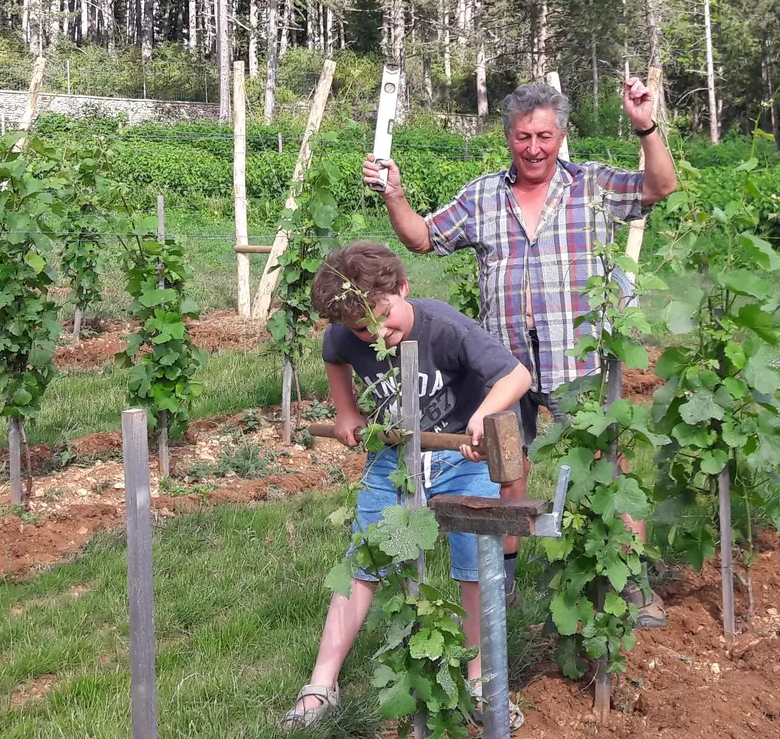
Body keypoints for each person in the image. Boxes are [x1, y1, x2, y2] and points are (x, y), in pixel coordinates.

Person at [362, 76, 677, 626]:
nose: (535, 147)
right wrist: (395, 192)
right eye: (524, 136)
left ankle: (632, 581)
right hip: (503, 365)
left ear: (562, 136)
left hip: (576, 360)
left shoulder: (593, 185)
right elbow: (420, 237)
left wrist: (645, 125)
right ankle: (500, 583)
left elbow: (660, 186)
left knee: (607, 462)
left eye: (546, 136)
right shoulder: (483, 195)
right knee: (507, 466)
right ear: (508, 136)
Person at [281, 242, 532, 730]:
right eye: (362, 329)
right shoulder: (344, 333)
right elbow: (333, 355)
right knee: (367, 560)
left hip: (462, 458)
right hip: (394, 459)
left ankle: (478, 682)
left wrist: (480, 418)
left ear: (403, 288)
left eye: (384, 316)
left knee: (473, 567)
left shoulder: (445, 325)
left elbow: (515, 375)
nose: (378, 333)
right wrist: (346, 411)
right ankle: (321, 684)